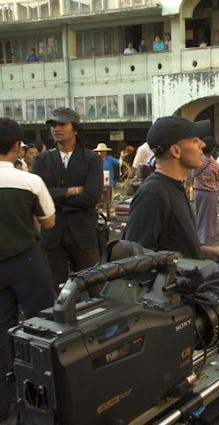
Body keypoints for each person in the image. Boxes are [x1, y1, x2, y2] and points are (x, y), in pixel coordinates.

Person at [0, 118, 56, 422]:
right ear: (16, 147)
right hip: (27, 261)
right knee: (40, 327)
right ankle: (41, 398)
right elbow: (48, 221)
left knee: (1, 331)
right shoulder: (29, 181)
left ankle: (3, 403)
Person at [123, 116, 219, 262]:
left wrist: (203, 251)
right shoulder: (152, 194)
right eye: (195, 140)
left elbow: (172, 247)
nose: (202, 144)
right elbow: (136, 260)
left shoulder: (174, 187)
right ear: (175, 151)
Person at [32, 107, 103, 293]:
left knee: (93, 288)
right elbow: (38, 196)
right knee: (57, 291)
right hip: (52, 234)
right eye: (53, 125)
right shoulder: (41, 160)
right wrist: (69, 192)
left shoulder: (91, 159)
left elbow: (91, 197)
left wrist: (54, 196)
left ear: (75, 129)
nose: (56, 128)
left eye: (62, 124)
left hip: (84, 231)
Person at [192, 136, 219, 245]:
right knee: (209, 218)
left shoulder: (196, 160)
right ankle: (207, 240)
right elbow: (218, 178)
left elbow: (192, 174)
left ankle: (198, 237)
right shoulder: (215, 165)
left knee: (199, 215)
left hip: (198, 192)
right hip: (210, 193)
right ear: (213, 149)